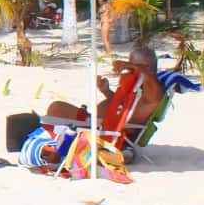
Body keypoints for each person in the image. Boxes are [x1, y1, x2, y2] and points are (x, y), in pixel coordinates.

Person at [19, 45, 166, 166]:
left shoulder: (153, 93)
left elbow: (148, 82)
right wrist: (107, 91)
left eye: (133, 63)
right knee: (57, 107)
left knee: (52, 118)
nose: (129, 68)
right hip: (96, 121)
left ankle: (49, 150)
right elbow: (122, 108)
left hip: (101, 129)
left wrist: (132, 67)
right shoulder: (140, 87)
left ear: (145, 66)